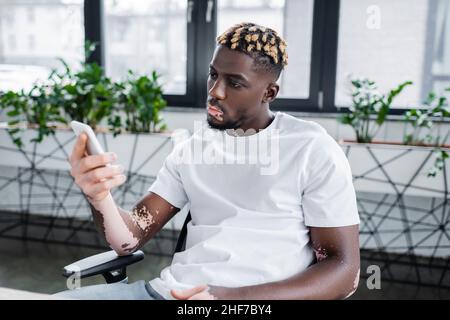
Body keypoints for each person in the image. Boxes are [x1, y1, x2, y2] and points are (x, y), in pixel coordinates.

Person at [56, 22, 360, 300]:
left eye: (235, 83)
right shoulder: (192, 149)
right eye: (213, 74)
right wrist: (99, 197)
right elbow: (129, 239)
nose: (215, 92)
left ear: (269, 92)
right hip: (169, 294)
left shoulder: (311, 149)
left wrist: (229, 298)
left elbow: (344, 271)